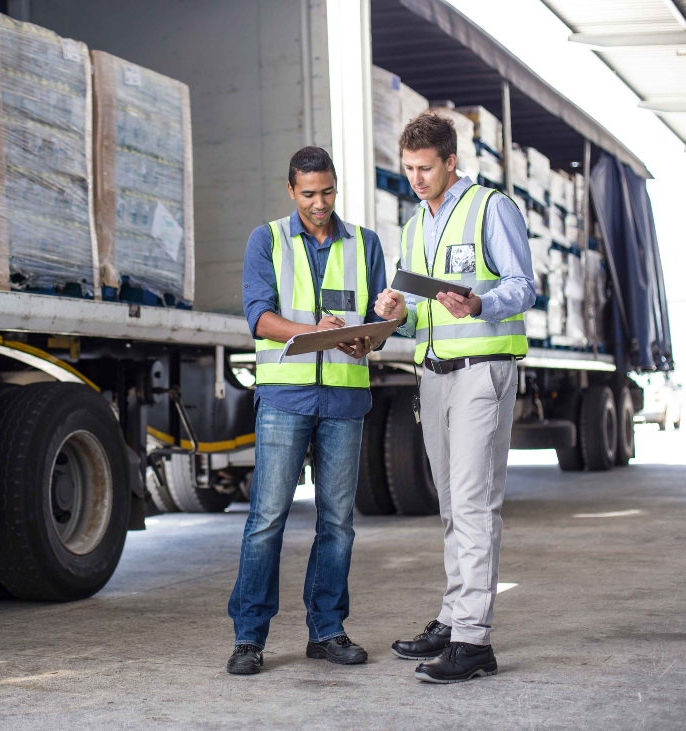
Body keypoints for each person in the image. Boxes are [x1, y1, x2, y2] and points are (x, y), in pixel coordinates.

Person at [375, 113, 534, 683]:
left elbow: (523, 285)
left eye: (425, 168)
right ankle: (452, 616)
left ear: (450, 163)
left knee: (472, 503)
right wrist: (397, 311)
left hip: (482, 372)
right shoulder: (415, 224)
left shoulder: (491, 208)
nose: (415, 178)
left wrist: (480, 304)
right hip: (434, 374)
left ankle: (474, 641)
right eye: (409, 169)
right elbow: (421, 305)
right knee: (451, 505)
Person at [227, 147, 388, 675]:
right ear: (291, 190)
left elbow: (373, 321)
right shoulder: (267, 239)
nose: (320, 204)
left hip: (344, 399)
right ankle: (249, 639)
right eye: (309, 194)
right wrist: (309, 332)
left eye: (328, 192)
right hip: (284, 398)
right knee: (266, 521)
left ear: (336, 186)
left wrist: (368, 338)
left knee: (338, 523)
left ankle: (327, 631)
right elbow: (258, 317)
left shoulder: (365, 243)